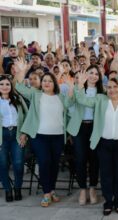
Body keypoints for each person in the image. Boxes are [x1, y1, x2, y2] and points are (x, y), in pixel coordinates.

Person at [74, 72, 118, 216]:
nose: (112, 90)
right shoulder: (100, 99)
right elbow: (82, 100)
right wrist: (79, 86)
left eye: (115, 87)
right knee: (106, 174)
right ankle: (108, 202)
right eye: (109, 87)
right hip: (104, 144)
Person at [14, 58, 71, 207]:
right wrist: (23, 71)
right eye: (44, 80)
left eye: (49, 81)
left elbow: (70, 106)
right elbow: (19, 87)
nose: (46, 83)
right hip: (40, 136)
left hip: (58, 136)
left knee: (53, 164)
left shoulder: (61, 97)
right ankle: (46, 193)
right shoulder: (35, 94)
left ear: (55, 84)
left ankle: (51, 189)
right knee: (44, 162)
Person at [66, 65, 104, 205]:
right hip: (79, 127)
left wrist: (78, 88)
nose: (93, 75)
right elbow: (67, 103)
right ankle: (83, 189)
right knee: (80, 159)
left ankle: (93, 188)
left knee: (94, 159)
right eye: (91, 73)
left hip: (95, 127)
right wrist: (73, 88)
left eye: (96, 73)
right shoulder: (78, 87)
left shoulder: (102, 92)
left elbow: (88, 102)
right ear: (85, 74)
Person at [0, 74, 28, 202]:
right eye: (1, 84)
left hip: (17, 134)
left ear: (11, 86)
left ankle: (17, 188)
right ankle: (7, 189)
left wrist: (24, 133)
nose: (5, 87)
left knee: (18, 164)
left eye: (7, 84)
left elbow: (28, 117)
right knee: (3, 164)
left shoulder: (18, 99)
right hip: (2, 136)